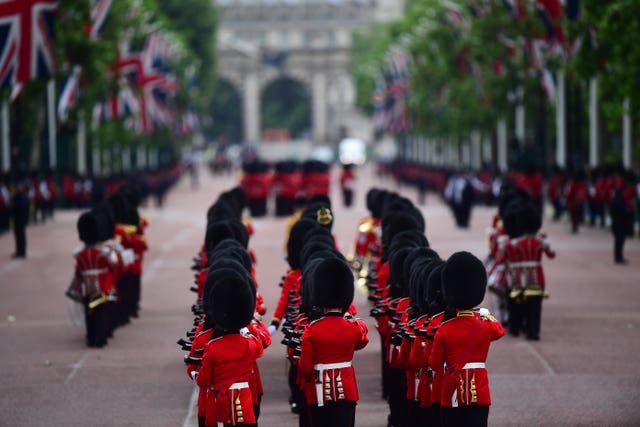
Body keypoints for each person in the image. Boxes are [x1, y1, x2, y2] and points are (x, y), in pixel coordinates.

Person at [429, 252, 505, 427]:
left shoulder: (444, 329)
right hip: (479, 389)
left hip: (452, 391)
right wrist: (485, 315)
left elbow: (434, 364)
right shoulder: (485, 326)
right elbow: (499, 331)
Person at [298, 257, 369, 427]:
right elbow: (362, 340)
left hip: (319, 390)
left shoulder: (312, 329)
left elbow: (305, 367)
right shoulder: (353, 327)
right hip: (347, 389)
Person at [609, 170, 636, 264]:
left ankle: (618, 256)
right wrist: (629, 209)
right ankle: (618, 257)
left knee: (619, 237)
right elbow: (628, 200)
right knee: (620, 237)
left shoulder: (618, 187)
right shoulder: (627, 188)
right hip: (621, 214)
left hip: (616, 213)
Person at [11, 178, 29, 258]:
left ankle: (21, 251)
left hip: (20, 217)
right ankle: (19, 250)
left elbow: (22, 206)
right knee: (18, 235)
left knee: (20, 235)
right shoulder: (19, 195)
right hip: (17, 217)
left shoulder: (21, 195)